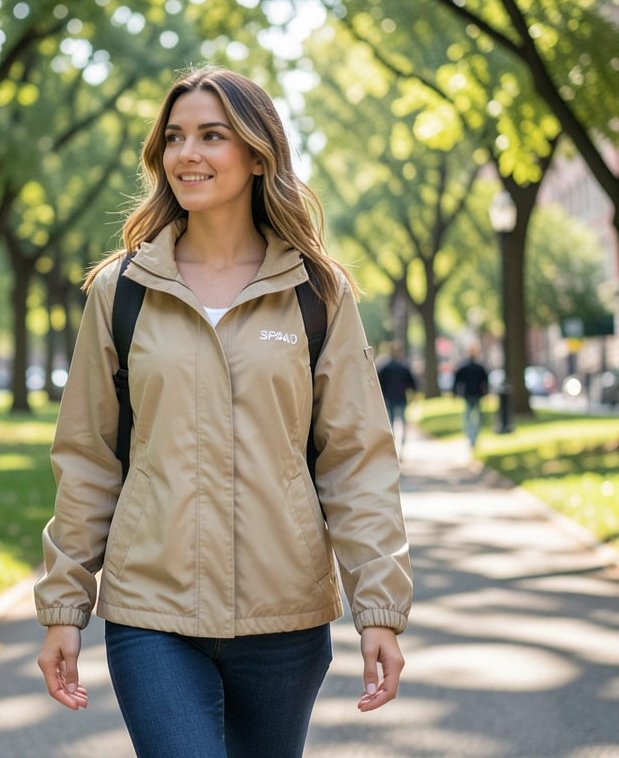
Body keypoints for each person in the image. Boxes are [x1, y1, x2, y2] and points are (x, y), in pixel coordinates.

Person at [34, 65, 413, 758]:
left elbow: (355, 459)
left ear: (256, 153)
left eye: (212, 135)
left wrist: (379, 609)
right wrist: (63, 605)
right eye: (175, 137)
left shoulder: (316, 292)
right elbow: (88, 456)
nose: (188, 153)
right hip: (151, 615)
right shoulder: (120, 293)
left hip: (284, 618)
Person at [376, 342, 419, 457]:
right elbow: (412, 384)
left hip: (389, 399)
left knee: (391, 424)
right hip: (401, 398)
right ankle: (402, 448)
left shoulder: (385, 368)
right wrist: (414, 396)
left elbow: (380, 384)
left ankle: (393, 447)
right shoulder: (404, 367)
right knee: (403, 423)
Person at [452, 345, 490, 449]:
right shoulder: (479, 367)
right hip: (477, 394)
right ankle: (474, 437)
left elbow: (456, 381)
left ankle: (471, 437)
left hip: (468, 394)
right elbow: (486, 382)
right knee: (477, 417)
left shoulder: (464, 367)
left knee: (468, 417)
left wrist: (454, 393)